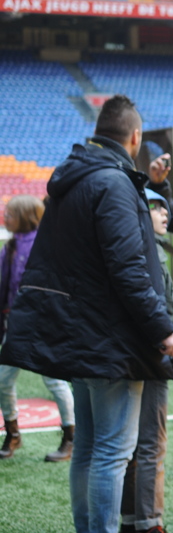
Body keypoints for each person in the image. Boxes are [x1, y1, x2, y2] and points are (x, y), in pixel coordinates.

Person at [0, 94, 173, 533]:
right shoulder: (113, 183)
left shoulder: (73, 178)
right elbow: (129, 270)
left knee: (89, 446)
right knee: (110, 449)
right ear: (134, 139)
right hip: (108, 338)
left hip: (78, 333)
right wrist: (163, 331)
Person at [119, 188, 173, 533]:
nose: (165, 213)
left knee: (134, 443)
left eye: (165, 206)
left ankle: (131, 523)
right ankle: (150, 528)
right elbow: (154, 303)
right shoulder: (147, 252)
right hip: (151, 356)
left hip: (140, 355)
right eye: (155, 207)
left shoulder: (145, 247)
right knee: (151, 443)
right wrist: (170, 334)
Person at [0, 195, 75, 462]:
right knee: (3, 380)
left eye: (9, 214)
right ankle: (13, 433)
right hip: (15, 327)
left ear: (25, 217)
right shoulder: (8, 249)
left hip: (42, 325)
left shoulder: (45, 244)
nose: (5, 218)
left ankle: (70, 436)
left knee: (54, 380)